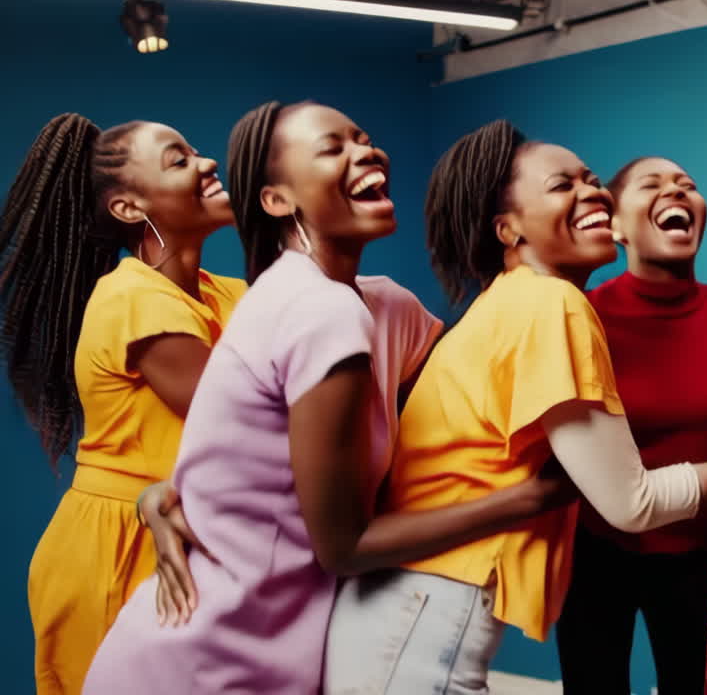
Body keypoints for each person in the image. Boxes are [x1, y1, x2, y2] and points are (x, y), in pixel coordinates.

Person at [323, 121, 707, 694]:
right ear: (508, 229)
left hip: (411, 608)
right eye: (563, 185)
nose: (591, 193)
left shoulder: (517, 299)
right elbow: (633, 503)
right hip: (426, 614)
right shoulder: (556, 303)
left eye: (590, 181)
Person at [82, 102, 571, 694]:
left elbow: (461, 389)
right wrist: (536, 497)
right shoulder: (319, 312)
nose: (365, 151)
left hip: (270, 648)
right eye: (332, 147)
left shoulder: (385, 308)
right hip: (203, 658)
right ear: (277, 200)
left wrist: (165, 494)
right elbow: (344, 548)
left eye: (363, 138)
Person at [0, 113, 244, 694]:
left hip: (180, 535)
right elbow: (250, 423)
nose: (208, 163)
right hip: (116, 551)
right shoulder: (132, 297)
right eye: (179, 159)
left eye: (196, 149)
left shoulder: (223, 292)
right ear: (130, 209)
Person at [555, 157, 707, 695]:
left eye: (688, 186)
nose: (677, 191)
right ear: (614, 226)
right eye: (652, 185)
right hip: (591, 550)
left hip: (695, 555)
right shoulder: (580, 316)